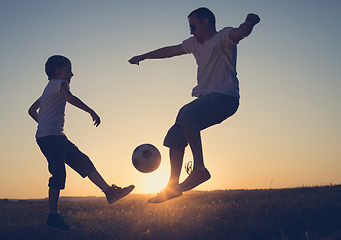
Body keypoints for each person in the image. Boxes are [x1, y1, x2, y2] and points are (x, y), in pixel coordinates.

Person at [129, 7, 260, 203]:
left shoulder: (223, 37)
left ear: (205, 22)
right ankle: (173, 186)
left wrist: (249, 22)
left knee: (185, 113)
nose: (191, 31)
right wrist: (144, 56)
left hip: (226, 98)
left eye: (193, 26)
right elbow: (169, 51)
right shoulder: (193, 44)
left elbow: (240, 32)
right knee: (174, 136)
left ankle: (199, 169)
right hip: (207, 101)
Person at [28, 55, 135, 232]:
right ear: (58, 71)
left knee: (82, 161)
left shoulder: (47, 90)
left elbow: (31, 111)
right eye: (69, 69)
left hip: (53, 137)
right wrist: (90, 111)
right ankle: (52, 217)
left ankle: (109, 192)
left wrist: (43, 124)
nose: (72, 74)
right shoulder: (61, 84)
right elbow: (69, 98)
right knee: (58, 174)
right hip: (51, 138)